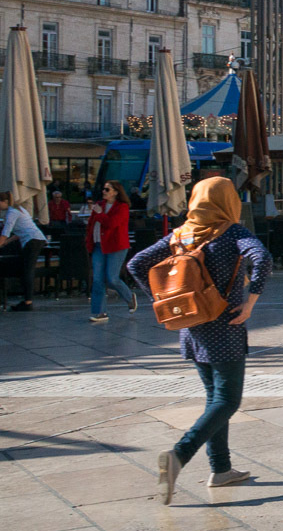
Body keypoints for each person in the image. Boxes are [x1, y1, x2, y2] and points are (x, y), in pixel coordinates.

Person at [129, 177, 272, 503]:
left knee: (215, 400)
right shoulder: (232, 232)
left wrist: (164, 300)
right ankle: (179, 455)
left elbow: (137, 263)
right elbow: (263, 259)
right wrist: (250, 303)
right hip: (225, 325)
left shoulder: (180, 235)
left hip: (191, 326)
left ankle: (221, 469)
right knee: (227, 401)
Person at [86, 180, 136, 321]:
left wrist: (100, 214)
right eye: (104, 189)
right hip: (98, 245)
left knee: (112, 278)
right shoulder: (99, 206)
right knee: (97, 279)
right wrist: (88, 241)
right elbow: (91, 224)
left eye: (107, 189)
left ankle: (129, 296)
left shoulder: (122, 207)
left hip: (116, 246)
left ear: (115, 192)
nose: (104, 191)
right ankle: (99, 312)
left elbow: (111, 224)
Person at [0, 191, 48, 311]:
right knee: (25, 268)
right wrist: (6, 242)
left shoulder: (12, 213)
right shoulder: (20, 209)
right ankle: (27, 300)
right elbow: (19, 233)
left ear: (5, 202)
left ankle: (28, 302)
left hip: (32, 241)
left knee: (27, 270)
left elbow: (6, 231)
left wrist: (2, 242)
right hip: (36, 239)